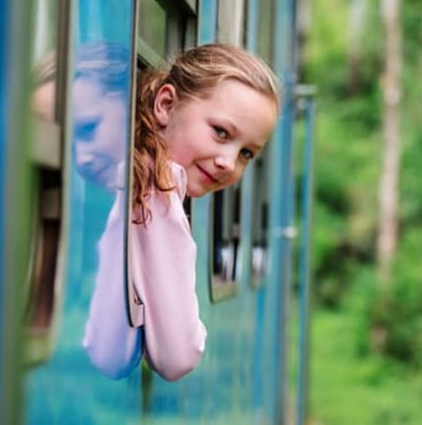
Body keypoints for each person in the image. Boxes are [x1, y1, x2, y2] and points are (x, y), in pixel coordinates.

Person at [84, 42, 281, 381]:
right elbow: (177, 355)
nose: (228, 163)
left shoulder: (135, 166)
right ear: (166, 104)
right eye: (221, 132)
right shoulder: (156, 189)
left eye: (247, 153)